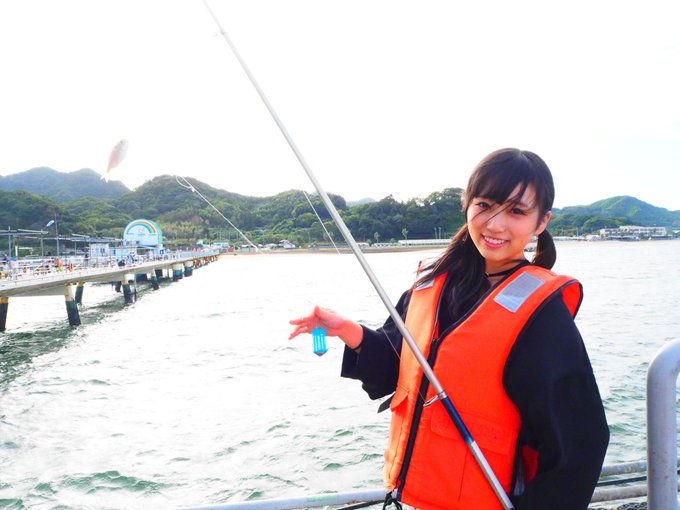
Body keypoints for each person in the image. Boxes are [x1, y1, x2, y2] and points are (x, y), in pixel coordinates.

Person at [289, 148, 609, 510]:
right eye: (485, 205)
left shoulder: (541, 315)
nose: (495, 225)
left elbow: (580, 445)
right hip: (412, 499)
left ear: (541, 222)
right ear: (467, 205)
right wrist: (350, 331)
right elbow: (401, 369)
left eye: (517, 211)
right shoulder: (434, 284)